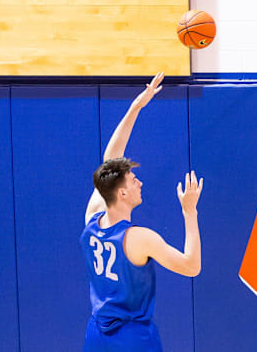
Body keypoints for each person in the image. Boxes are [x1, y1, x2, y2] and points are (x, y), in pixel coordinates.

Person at [80, 71, 204, 351]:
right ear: (121, 193)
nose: (140, 183)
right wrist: (189, 212)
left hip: (96, 335)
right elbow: (191, 266)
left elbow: (110, 160)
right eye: (134, 181)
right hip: (132, 337)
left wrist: (137, 106)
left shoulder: (91, 219)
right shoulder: (139, 238)